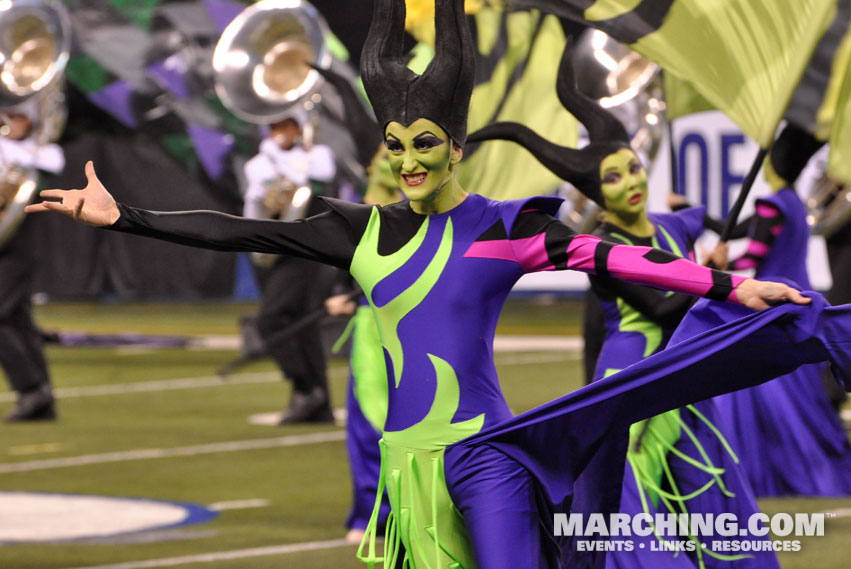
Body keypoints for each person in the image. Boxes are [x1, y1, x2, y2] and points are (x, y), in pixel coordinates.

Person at [26, 2, 841, 568]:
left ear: (454, 148)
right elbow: (237, 229)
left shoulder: (500, 226)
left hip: (485, 453)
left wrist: (729, 287)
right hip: (406, 467)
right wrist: (125, 215)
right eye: (396, 146)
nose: (409, 161)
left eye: (425, 145)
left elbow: (616, 259)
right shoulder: (361, 228)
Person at [467, 47, 779, 569]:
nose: (631, 183)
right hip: (633, 375)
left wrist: (742, 233)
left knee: (706, 482)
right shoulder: (603, 249)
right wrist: (715, 277)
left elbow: (720, 223)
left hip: (684, 368)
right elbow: (659, 306)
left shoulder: (670, 224)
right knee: (631, 499)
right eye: (614, 179)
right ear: (598, 195)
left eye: (633, 169)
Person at [710, 123, 851, 497]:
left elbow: (751, 262)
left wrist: (712, 267)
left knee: (756, 397)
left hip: (770, 307)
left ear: (771, 162)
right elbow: (746, 232)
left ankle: (760, 476)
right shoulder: (795, 204)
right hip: (800, 304)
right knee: (803, 404)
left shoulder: (771, 206)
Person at [242, 111, 337, 424]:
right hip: (276, 249)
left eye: (287, 125)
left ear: (299, 128)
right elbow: (256, 204)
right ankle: (318, 403)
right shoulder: (257, 164)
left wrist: (279, 161)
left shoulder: (318, 154)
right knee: (301, 323)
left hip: (311, 249)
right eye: (275, 127)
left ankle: (305, 389)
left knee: (270, 320)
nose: (281, 132)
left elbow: (319, 175)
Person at [0, 105, 64, 422]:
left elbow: (54, 161)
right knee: (18, 319)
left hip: (19, 245)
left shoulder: (42, 152)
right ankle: (42, 399)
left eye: (17, 117)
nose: (9, 123)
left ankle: (31, 390)